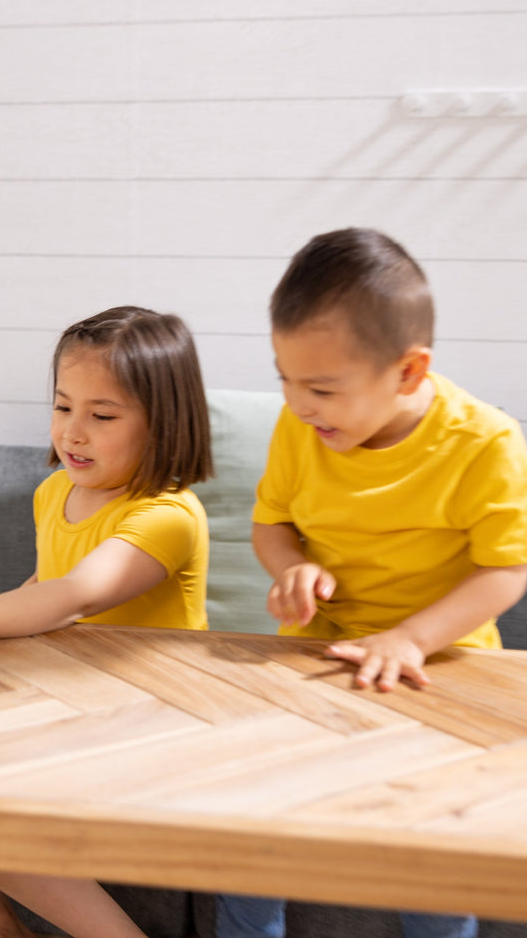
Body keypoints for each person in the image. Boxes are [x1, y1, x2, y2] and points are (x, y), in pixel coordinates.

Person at [216, 228, 527, 938]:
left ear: (409, 372)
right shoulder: (305, 427)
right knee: (257, 832)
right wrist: (291, 567)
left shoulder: (486, 443)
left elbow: (507, 568)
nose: (298, 405)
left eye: (321, 387)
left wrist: (412, 639)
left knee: (426, 854)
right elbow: (272, 526)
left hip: (442, 668)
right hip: (316, 661)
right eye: (284, 380)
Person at [0, 305, 214, 938]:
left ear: (164, 424)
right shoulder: (53, 493)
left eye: (101, 416)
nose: (73, 431)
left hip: (154, 716)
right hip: (71, 696)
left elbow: (76, 595)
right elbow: (42, 589)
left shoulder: (167, 516)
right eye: (63, 406)